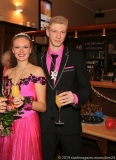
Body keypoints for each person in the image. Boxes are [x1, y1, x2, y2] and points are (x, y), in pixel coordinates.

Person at [37, 16, 93, 159]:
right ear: (47, 32)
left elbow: (87, 89)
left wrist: (75, 97)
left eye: (62, 32)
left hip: (69, 122)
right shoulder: (38, 59)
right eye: (55, 31)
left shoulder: (76, 57)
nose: (58, 36)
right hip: (45, 124)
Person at [0, 33, 47, 160]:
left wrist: (26, 101)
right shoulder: (7, 72)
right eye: (17, 47)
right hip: (9, 123)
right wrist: (2, 119)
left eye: (25, 47)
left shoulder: (37, 71)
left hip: (27, 124)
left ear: (30, 49)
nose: (21, 51)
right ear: (12, 50)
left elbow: (43, 106)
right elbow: (5, 100)